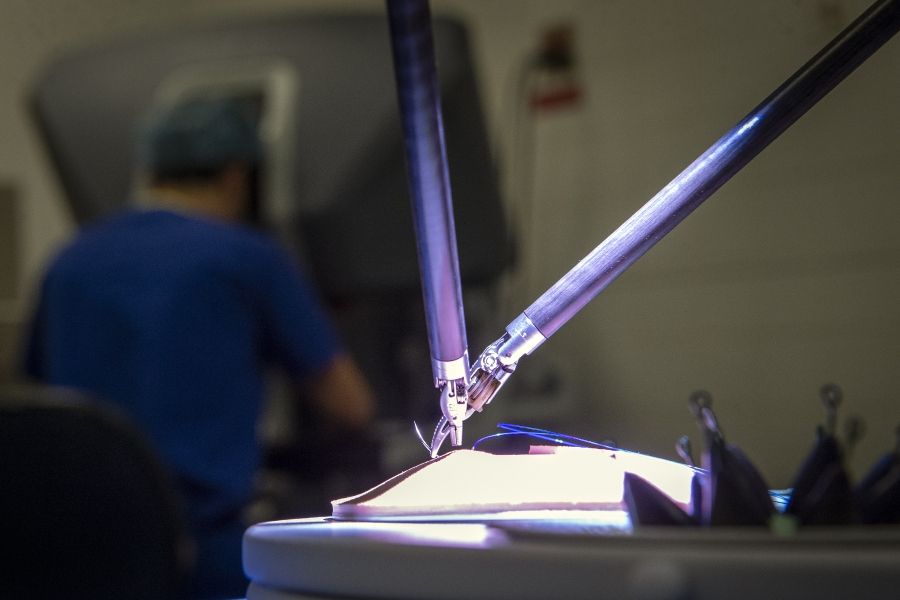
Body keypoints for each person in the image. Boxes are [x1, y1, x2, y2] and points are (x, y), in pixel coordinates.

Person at [23, 97, 376, 598]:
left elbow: (41, 399)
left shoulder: (69, 259)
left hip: (67, 553)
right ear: (238, 175)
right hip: (197, 553)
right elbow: (350, 404)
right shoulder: (247, 258)